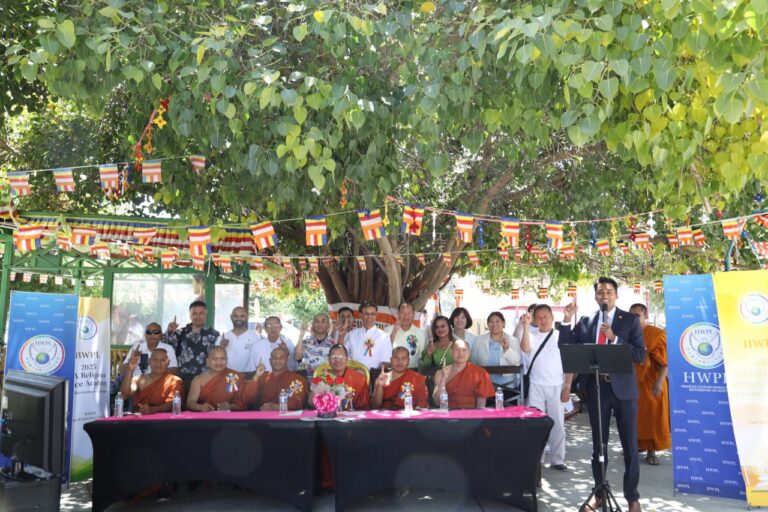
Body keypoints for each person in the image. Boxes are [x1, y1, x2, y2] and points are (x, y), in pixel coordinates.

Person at [558, 277, 646, 512]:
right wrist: (566, 322)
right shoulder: (587, 321)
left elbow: (639, 355)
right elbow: (566, 347)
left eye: (609, 291)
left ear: (616, 295)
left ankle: (632, 497)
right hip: (597, 389)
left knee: (629, 445)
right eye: (600, 292)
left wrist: (615, 339)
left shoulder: (629, 320)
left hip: (624, 390)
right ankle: (600, 494)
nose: (604, 295)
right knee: (599, 446)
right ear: (595, 296)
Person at [520, 305, 573, 472]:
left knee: (557, 423)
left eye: (546, 316)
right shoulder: (530, 334)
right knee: (536, 424)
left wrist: (567, 387)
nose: (542, 320)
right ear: (535, 319)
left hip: (557, 386)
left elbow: (570, 363)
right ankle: (537, 458)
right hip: (536, 385)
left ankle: (558, 459)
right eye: (539, 317)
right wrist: (526, 325)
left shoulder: (560, 335)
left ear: (552, 317)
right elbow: (525, 349)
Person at [629, 303, 670, 466]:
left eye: (637, 315)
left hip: (652, 382)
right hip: (633, 382)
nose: (633, 319)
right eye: (631, 315)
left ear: (645, 315)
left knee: (653, 416)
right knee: (635, 416)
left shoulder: (657, 334)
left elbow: (665, 362)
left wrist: (659, 382)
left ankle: (651, 452)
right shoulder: (628, 334)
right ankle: (639, 445)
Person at [166, 301, 220, 386]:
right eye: (194, 313)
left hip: (205, 380)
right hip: (182, 380)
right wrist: (169, 332)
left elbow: (219, 356)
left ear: (206, 315)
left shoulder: (214, 334)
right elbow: (166, 349)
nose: (198, 316)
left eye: (201, 313)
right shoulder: (180, 333)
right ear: (190, 315)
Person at [433, 339, 495, 409]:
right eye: (457, 350)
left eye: (464, 350)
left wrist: (476, 418)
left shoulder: (480, 373)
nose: (460, 353)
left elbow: (481, 405)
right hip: (448, 414)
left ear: (469, 353)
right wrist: (443, 378)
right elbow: (437, 402)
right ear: (451, 352)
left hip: (470, 415)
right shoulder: (440, 373)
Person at [120, 348, 184, 414]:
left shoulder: (175, 381)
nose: (158, 364)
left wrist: (153, 409)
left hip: (164, 420)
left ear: (168, 363)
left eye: (162, 360)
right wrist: (129, 370)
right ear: (149, 361)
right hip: (140, 419)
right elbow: (124, 395)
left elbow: (174, 403)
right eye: (155, 360)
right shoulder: (139, 379)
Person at [242, 346, 307, 410]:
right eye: (274, 358)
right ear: (270, 361)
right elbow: (247, 398)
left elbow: (297, 403)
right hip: (262, 417)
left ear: (287, 360)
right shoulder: (261, 377)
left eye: (281, 358)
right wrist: (256, 376)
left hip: (287, 418)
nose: (277, 361)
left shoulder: (297, 379)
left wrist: (275, 407)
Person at [311, 344, 369, 410]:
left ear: (347, 359)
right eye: (334, 357)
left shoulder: (359, 378)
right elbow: (311, 403)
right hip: (328, 416)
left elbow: (364, 407)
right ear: (329, 360)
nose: (337, 360)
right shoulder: (322, 378)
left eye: (341, 357)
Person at [186, 347, 246, 411]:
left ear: (227, 360)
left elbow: (243, 403)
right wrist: (200, 407)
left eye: (222, 358)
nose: (219, 362)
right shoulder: (198, 380)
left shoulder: (235, 377)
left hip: (230, 418)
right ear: (208, 361)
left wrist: (230, 406)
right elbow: (189, 403)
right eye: (215, 359)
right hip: (205, 418)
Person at [471, 311, 521, 387]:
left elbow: (516, 362)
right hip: (484, 385)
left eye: (497, 321)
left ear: (503, 323)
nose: (494, 324)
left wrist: (506, 349)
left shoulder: (513, 340)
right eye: (491, 322)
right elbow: (473, 362)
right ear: (487, 324)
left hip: (508, 386)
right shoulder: (479, 340)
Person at [344, 302, 391, 369]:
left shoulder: (384, 336)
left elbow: (386, 361)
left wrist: (374, 374)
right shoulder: (352, 334)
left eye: (372, 314)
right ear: (360, 315)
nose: (369, 317)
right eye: (366, 314)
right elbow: (342, 354)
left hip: (374, 376)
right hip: (353, 375)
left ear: (376, 315)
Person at [216, 306, 259, 373]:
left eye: (242, 316)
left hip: (248, 376)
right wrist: (221, 348)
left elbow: (258, 359)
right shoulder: (222, 338)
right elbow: (216, 360)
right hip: (226, 375)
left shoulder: (255, 338)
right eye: (235, 316)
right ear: (231, 317)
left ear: (247, 317)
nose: (239, 319)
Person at [387, 302, 426, 369]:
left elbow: (422, 356)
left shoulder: (421, 333)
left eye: (409, 313)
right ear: (398, 314)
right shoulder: (388, 330)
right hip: (392, 371)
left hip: (413, 371)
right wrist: (395, 331)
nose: (406, 316)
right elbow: (384, 350)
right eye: (403, 313)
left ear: (413, 315)